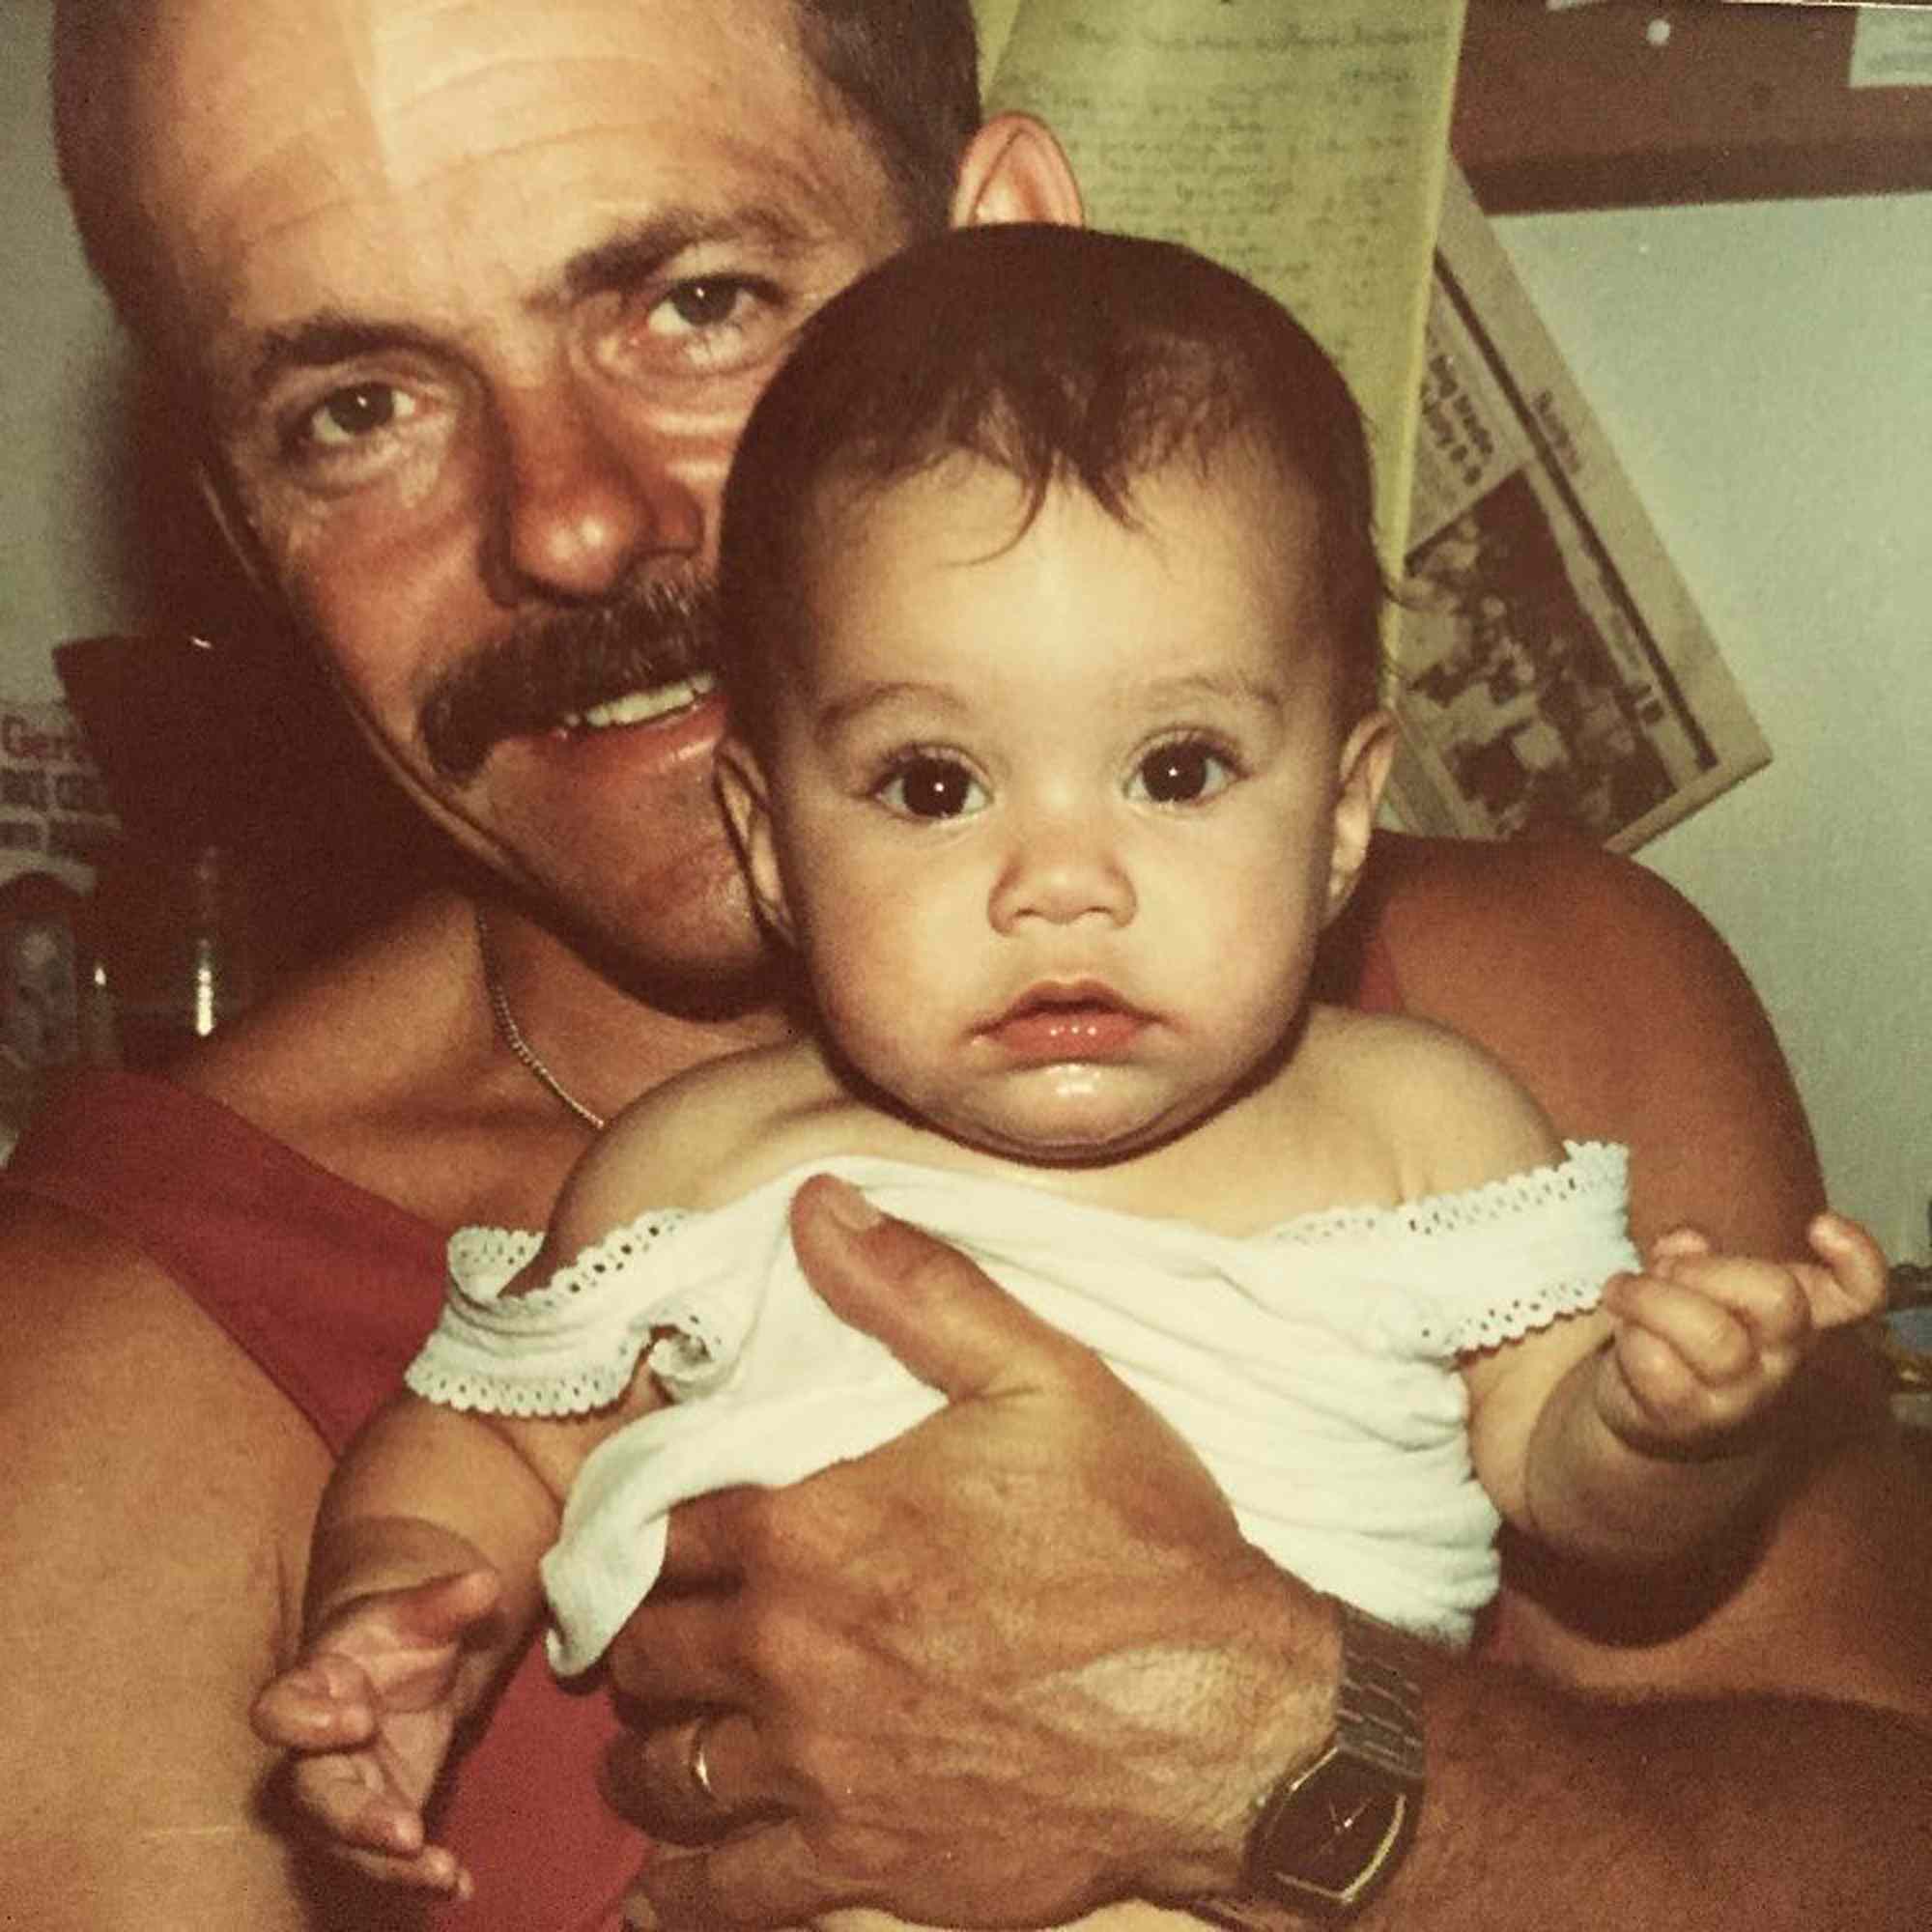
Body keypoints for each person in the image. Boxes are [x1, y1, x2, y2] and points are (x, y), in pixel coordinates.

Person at [6, 1, 1928, 1928]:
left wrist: (1279, 1753)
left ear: (998, 254)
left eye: (691, 299)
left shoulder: (1534, 1010)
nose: (567, 521)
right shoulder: (113, 1358)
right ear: (242, 533)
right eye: (353, 409)